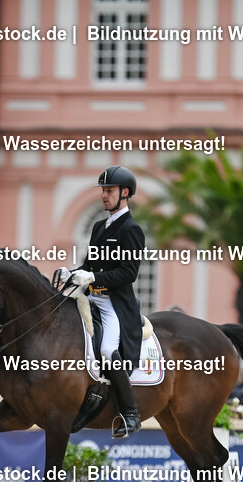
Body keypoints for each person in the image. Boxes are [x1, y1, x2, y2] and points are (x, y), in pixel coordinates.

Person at [55, 165, 144, 438]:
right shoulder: (98, 227)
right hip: (90, 297)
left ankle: (130, 414)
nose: (104, 195)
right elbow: (89, 264)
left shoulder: (131, 229)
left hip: (113, 304)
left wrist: (92, 276)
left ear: (124, 193)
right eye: (103, 190)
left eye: (110, 190)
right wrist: (72, 273)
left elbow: (128, 273)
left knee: (106, 350)